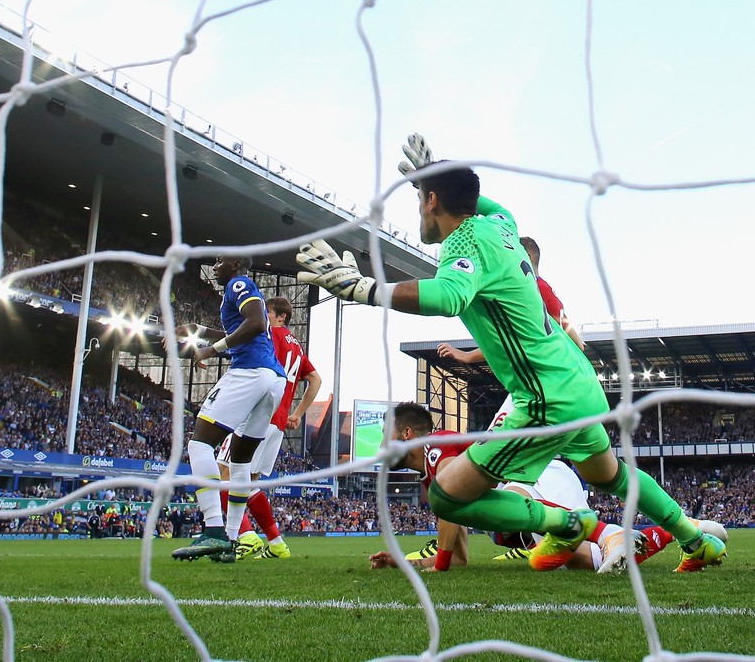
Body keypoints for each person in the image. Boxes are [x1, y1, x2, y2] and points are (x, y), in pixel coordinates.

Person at [297, 135, 725, 572]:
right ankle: (695, 539)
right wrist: (428, 180)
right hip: (578, 381)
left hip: (546, 397)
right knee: (610, 474)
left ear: (431, 201)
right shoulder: (500, 224)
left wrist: (364, 287)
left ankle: (568, 524)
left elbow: (448, 297)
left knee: (447, 495)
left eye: (420, 199)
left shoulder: (463, 241)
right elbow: (487, 205)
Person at [371, 403, 723, 572]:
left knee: (513, 505)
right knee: (585, 562)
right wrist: (405, 563)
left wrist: (440, 566)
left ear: (406, 436)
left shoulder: (435, 447)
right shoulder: (437, 472)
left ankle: (607, 532)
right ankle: (680, 531)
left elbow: (448, 524)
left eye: (384, 435)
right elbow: (456, 556)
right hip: (544, 470)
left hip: (538, 475)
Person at [171, 255, 286, 562]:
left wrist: (212, 348)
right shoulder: (244, 291)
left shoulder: (239, 283)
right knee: (240, 464)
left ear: (235, 264)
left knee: (199, 445)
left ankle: (213, 529)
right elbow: (246, 331)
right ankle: (232, 541)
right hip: (273, 380)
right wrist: (203, 331)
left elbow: (256, 323)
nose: (215, 266)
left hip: (249, 371)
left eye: (221, 260)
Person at [436, 235, 586, 430]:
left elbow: (515, 342)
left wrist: (467, 356)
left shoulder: (535, 289)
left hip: (540, 387)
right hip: (541, 386)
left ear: (524, 255)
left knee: (492, 447)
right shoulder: (537, 289)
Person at [216, 296, 321, 560]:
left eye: (268, 311)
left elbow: (259, 367)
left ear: (280, 316)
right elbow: (315, 380)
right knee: (249, 483)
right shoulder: (297, 348)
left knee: (223, 474)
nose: (263, 316)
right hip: (278, 422)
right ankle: (276, 543)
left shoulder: (270, 334)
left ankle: (246, 536)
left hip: (257, 415)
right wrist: (296, 413)